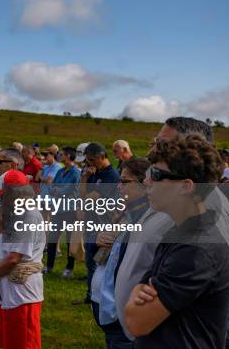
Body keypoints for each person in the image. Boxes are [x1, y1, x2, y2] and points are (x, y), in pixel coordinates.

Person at [124, 134, 229, 349]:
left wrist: (137, 292)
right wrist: (140, 289)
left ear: (186, 186)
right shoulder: (181, 231)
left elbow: (136, 322)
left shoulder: (196, 249)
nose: (146, 181)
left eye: (156, 174)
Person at [155, 116, 229, 258]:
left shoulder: (211, 206)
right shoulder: (172, 188)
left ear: (195, 148)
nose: (156, 149)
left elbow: (207, 263)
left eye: (165, 144)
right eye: (157, 143)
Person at [91, 157, 150, 349]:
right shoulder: (127, 211)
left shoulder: (148, 217)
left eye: (125, 182)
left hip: (122, 312)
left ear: (145, 184)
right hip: (108, 307)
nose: (119, 187)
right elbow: (108, 250)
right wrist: (99, 239)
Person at [0, 169, 45, 349]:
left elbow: (13, 258)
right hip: (9, 288)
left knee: (23, 340)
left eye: (4, 196)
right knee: (10, 339)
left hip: (22, 291)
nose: (0, 200)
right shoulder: (15, 214)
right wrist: (2, 222)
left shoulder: (28, 216)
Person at [76, 142, 120, 306]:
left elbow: (87, 198)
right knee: (90, 263)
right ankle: (91, 295)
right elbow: (81, 194)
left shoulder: (111, 176)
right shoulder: (95, 172)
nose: (89, 164)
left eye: (92, 160)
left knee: (99, 263)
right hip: (91, 223)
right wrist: (85, 177)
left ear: (102, 157)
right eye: (87, 161)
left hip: (102, 226)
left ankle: (100, 297)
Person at [44, 146, 81, 277]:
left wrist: (57, 190)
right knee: (53, 238)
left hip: (70, 210)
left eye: (62, 154)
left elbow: (68, 191)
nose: (60, 156)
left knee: (70, 240)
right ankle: (49, 266)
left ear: (69, 156)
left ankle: (69, 268)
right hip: (57, 209)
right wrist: (58, 190)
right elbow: (52, 186)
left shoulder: (76, 172)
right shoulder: (60, 171)